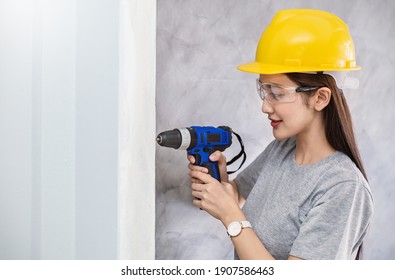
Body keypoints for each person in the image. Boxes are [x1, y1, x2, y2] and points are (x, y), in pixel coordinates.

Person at [188, 9, 374, 260]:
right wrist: (219, 183)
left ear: (320, 98)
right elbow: (238, 197)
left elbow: (235, 213)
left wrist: (231, 216)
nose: (265, 106)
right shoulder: (283, 149)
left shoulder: (342, 188)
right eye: (264, 91)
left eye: (277, 93)